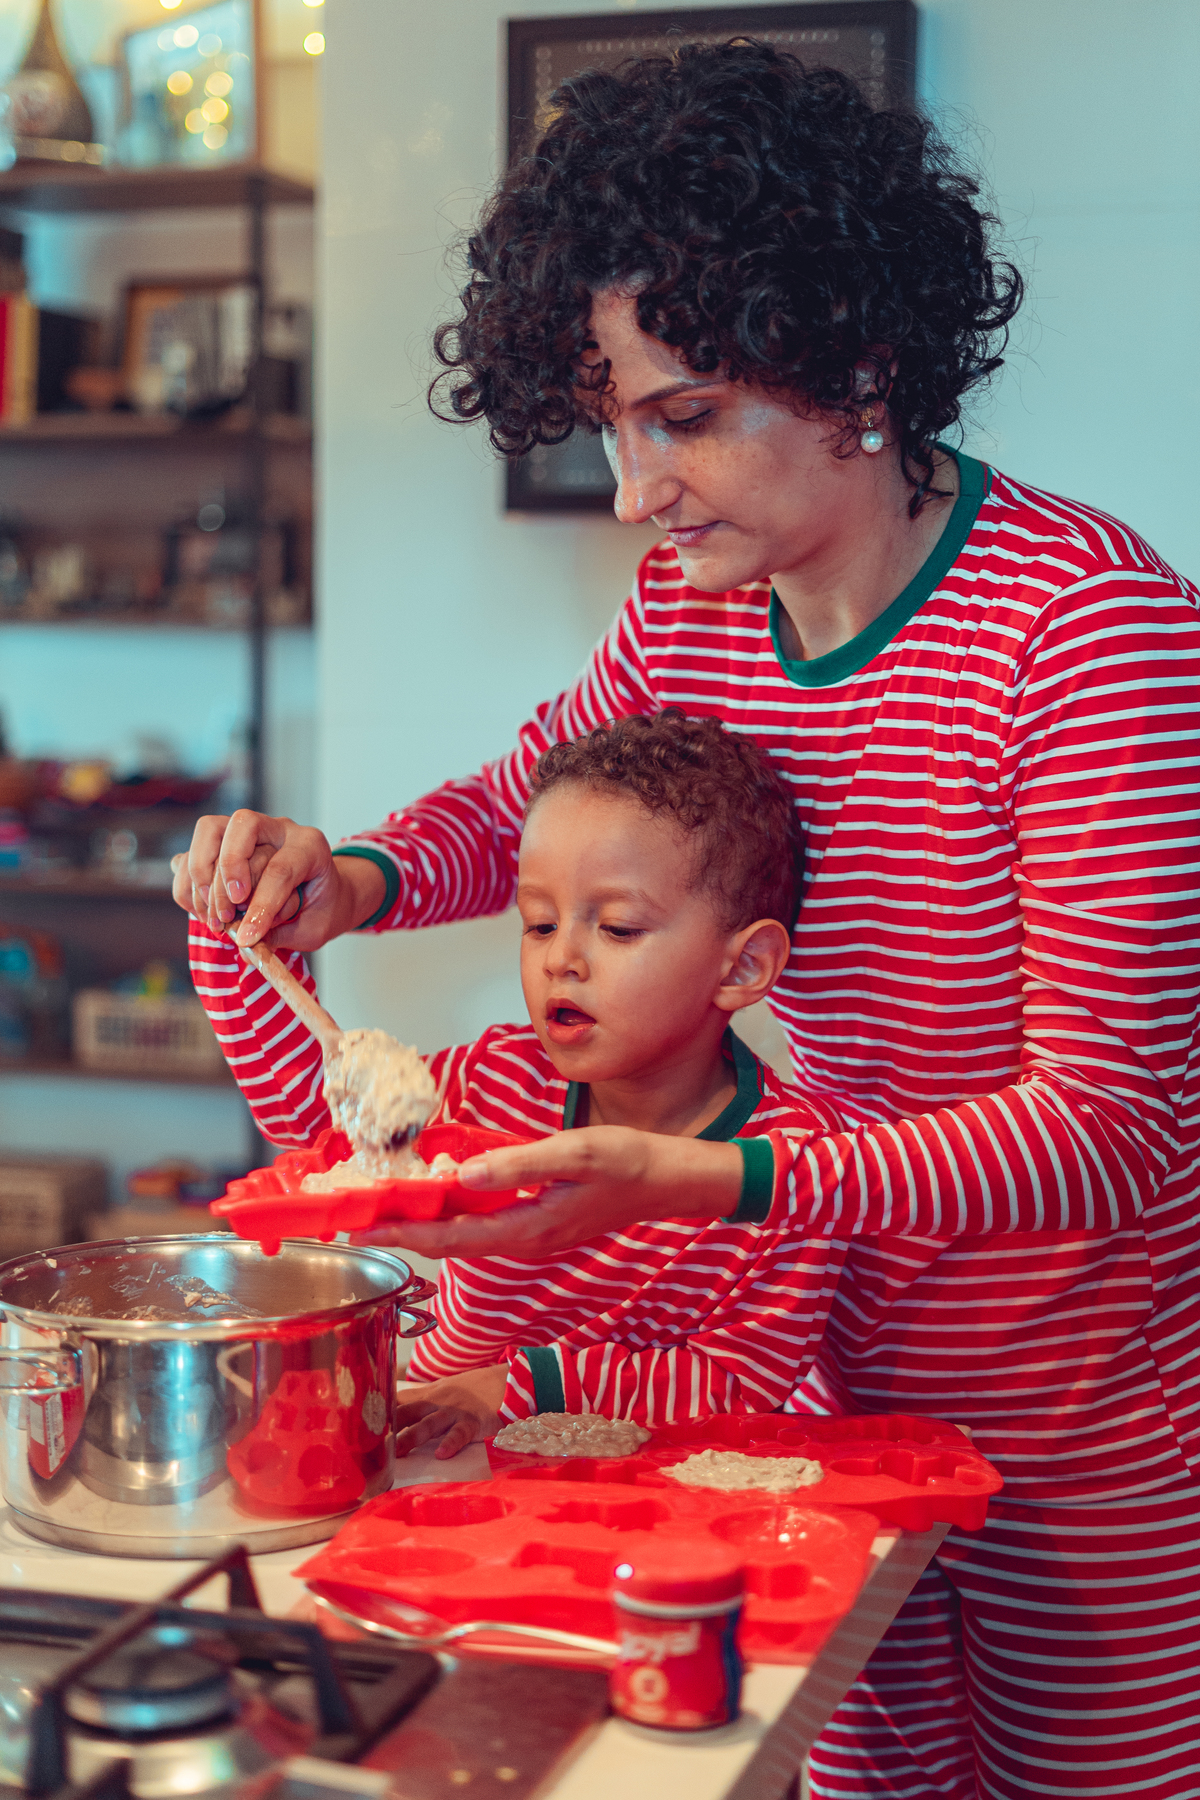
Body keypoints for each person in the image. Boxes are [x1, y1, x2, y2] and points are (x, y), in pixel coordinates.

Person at [174, 43, 1200, 1800]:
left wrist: (701, 1177)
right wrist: (354, 877)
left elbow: (1111, 1133)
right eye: (614, 425)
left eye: (684, 417)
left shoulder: (1087, 638)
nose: (639, 492)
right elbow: (531, 798)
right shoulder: (699, 603)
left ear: (859, 364)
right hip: (827, 1390)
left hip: (1077, 1412)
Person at [191, 711, 847, 1458]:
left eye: (619, 929)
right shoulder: (497, 1083)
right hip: (440, 1462)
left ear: (743, 966)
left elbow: (734, 1382)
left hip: (637, 1500)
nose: (561, 958)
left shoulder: (793, 1168)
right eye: (539, 923)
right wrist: (237, 930)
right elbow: (311, 1115)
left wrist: (511, 1388)